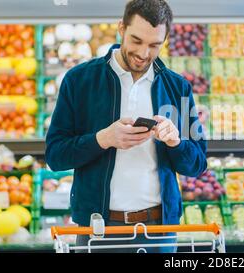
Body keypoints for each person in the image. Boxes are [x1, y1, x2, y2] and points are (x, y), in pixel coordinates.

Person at [45, 0, 207, 253]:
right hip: (98, 229)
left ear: (165, 39)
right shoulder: (79, 80)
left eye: (154, 45)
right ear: (121, 28)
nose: (143, 53)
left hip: (159, 231)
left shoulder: (178, 87)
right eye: (136, 41)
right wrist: (103, 139)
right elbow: (55, 156)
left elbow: (197, 164)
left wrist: (176, 143)